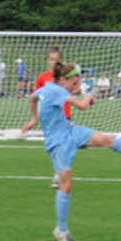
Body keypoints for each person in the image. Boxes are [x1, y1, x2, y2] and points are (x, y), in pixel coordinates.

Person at [22, 61, 121, 241]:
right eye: (74, 83)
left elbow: (32, 97)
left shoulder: (48, 88)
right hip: (58, 142)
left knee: (106, 140)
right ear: (63, 80)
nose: (76, 87)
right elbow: (81, 106)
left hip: (70, 130)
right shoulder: (58, 91)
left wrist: (34, 119)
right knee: (65, 185)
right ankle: (61, 230)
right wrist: (88, 96)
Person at [33, 46, 71, 188]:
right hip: (49, 118)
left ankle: (58, 175)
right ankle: (60, 173)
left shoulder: (65, 76)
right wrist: (36, 115)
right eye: (51, 59)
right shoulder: (42, 78)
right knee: (54, 147)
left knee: (62, 145)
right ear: (47, 61)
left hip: (64, 114)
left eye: (56, 59)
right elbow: (36, 96)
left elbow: (74, 89)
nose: (53, 62)